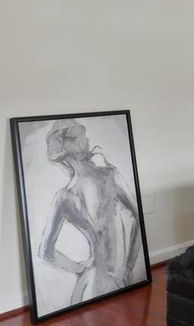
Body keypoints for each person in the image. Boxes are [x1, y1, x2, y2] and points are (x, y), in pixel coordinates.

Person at [39, 119, 142, 304]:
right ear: (71, 145)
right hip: (108, 280)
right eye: (81, 136)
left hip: (91, 283)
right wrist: (128, 266)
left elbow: (45, 251)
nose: (87, 139)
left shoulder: (64, 197)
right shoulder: (110, 175)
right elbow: (138, 218)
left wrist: (81, 269)